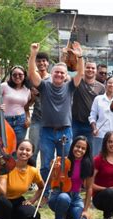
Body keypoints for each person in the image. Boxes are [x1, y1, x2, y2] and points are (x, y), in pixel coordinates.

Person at [28, 42, 84, 200]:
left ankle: (61, 190)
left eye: (62, 73)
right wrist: (33, 53)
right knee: (46, 164)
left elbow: (80, 73)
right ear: (52, 74)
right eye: (56, 72)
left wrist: (79, 56)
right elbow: (32, 73)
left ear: (66, 75)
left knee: (65, 164)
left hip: (65, 131)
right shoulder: (45, 86)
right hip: (46, 131)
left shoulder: (70, 87)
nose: (59, 75)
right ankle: (45, 192)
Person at [0, 140, 44, 219]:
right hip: (1, 202)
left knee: (34, 216)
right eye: (21, 149)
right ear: (16, 151)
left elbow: (41, 187)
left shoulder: (33, 171)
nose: (24, 152)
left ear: (31, 154)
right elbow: (2, 193)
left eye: (28, 150)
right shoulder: (7, 167)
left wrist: (32, 200)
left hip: (17, 201)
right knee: (3, 202)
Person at [48, 136, 94, 219]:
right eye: (77, 146)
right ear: (73, 146)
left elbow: (89, 188)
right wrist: (53, 169)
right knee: (64, 197)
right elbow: (52, 180)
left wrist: (85, 210)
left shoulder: (87, 164)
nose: (80, 150)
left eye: (83, 148)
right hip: (59, 196)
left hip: (75, 199)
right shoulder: (63, 161)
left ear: (86, 151)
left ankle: (68, 216)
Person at [89, 76, 113, 156]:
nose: (112, 85)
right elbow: (92, 115)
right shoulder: (98, 99)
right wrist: (94, 128)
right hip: (101, 133)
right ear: (105, 84)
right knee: (97, 157)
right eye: (109, 83)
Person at [72, 61, 105, 144]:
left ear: (96, 71)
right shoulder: (77, 82)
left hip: (91, 125)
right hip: (75, 123)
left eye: (93, 68)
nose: (90, 70)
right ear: (84, 69)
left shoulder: (101, 88)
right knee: (71, 149)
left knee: (89, 151)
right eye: (88, 67)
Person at [28, 52, 51, 163]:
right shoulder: (31, 79)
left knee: (46, 153)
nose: (41, 63)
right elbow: (27, 102)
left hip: (50, 122)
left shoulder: (53, 78)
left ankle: (43, 178)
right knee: (32, 150)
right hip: (36, 120)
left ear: (48, 63)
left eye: (44, 61)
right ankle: (30, 177)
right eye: (38, 61)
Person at [2, 66, 32, 142]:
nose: (17, 76)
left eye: (20, 74)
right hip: (5, 120)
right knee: (5, 147)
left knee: (18, 146)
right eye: (14, 75)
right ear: (11, 76)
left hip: (21, 121)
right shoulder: (4, 86)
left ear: (24, 76)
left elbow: (26, 107)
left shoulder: (27, 89)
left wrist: (28, 118)